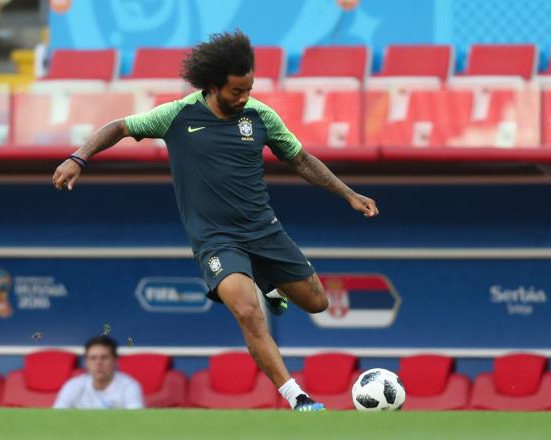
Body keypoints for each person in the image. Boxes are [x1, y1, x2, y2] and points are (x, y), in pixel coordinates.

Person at [52, 31, 378, 411]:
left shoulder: (260, 116)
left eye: (249, 89)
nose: (244, 98)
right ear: (212, 85)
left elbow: (301, 159)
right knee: (246, 310)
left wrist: (349, 193)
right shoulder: (177, 114)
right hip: (216, 239)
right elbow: (120, 127)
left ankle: (268, 280)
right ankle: (297, 397)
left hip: (264, 230)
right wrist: (78, 157)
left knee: (318, 302)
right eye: (237, 91)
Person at [53, 335, 144, 409]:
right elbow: (56, 417)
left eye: (104, 357)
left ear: (115, 360)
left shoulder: (129, 386)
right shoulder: (73, 385)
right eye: (93, 358)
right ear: (86, 362)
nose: (98, 363)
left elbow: (137, 419)